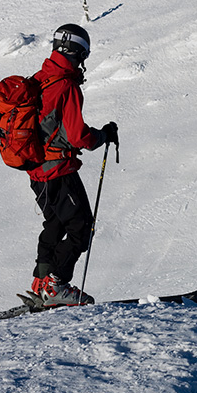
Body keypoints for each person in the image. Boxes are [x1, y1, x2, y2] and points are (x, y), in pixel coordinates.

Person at [27, 23, 119, 306]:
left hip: (36, 171)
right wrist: (104, 135)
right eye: (84, 55)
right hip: (59, 171)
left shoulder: (41, 78)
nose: (84, 62)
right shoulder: (65, 85)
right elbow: (79, 136)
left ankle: (42, 280)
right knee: (81, 228)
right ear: (77, 52)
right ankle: (56, 287)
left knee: (54, 223)